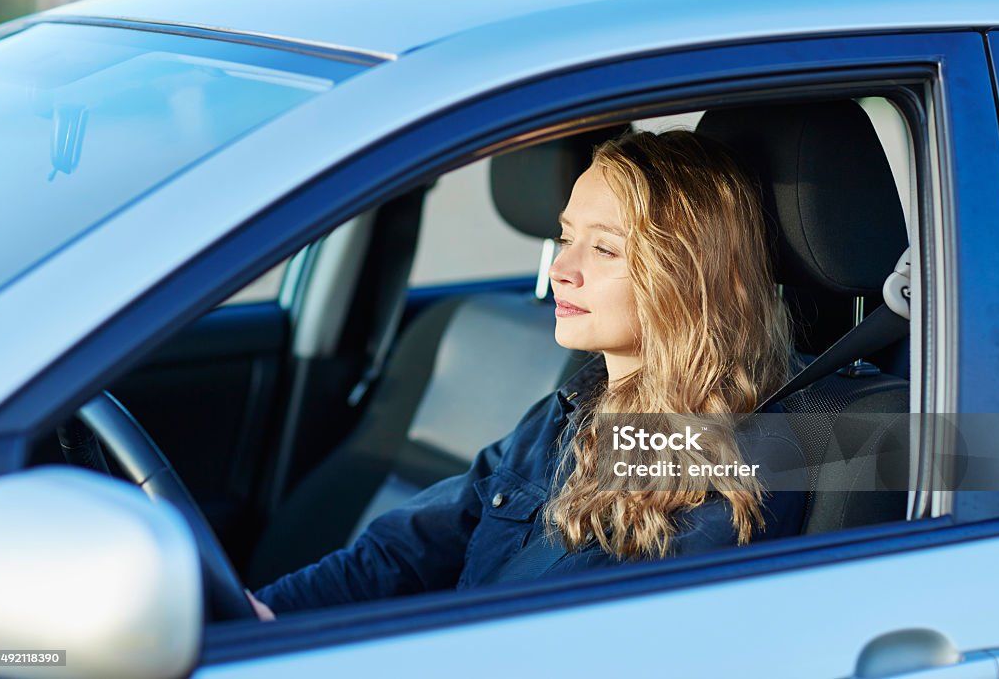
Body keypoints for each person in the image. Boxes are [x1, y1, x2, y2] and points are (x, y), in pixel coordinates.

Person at [247, 129, 807, 620]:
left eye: (605, 249)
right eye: (567, 238)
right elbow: (415, 542)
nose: (562, 270)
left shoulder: (742, 463)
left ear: (690, 278)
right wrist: (270, 612)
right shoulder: (569, 411)